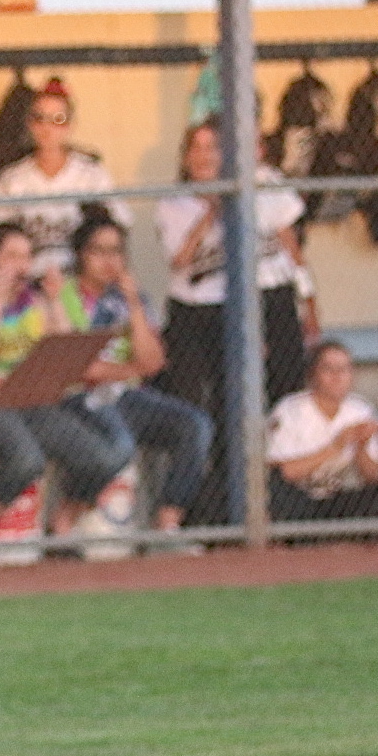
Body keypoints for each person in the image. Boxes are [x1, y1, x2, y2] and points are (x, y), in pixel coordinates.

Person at [155, 116, 315, 521]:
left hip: (250, 305)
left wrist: (310, 300)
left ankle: (267, 503)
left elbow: (291, 248)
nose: (204, 156)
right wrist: (211, 211)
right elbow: (180, 260)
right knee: (198, 407)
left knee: (262, 398)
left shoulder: (261, 184)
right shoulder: (175, 202)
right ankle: (200, 510)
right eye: (196, 148)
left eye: (213, 148)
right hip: (194, 312)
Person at [0, 223, 128, 535]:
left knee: (104, 458)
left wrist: (55, 300)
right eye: (11, 256)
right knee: (26, 460)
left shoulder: (32, 302)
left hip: (30, 401)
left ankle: (61, 521)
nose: (21, 266)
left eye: (26, 257)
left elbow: (67, 353)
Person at [56, 214, 213, 539]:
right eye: (99, 251)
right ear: (81, 255)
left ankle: (166, 525)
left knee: (195, 425)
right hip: (78, 398)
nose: (109, 260)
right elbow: (78, 369)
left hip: (127, 395)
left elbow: (153, 362)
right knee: (120, 444)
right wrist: (130, 369)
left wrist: (133, 302)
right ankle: (68, 514)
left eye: (116, 251)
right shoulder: (63, 293)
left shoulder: (131, 298)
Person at [0, 78, 130, 277]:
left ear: (71, 125)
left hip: (80, 283)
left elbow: (119, 227)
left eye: (58, 119)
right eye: (39, 118)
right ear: (29, 123)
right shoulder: (11, 180)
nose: (47, 128)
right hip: (26, 284)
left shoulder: (92, 176)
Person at [266, 340, 378, 523]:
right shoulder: (290, 409)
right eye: (328, 369)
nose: (337, 376)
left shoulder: (360, 410)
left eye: (344, 369)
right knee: (274, 490)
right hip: (298, 498)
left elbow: (372, 477)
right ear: (313, 374)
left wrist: (361, 446)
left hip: (338, 499)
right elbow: (281, 473)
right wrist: (335, 448)